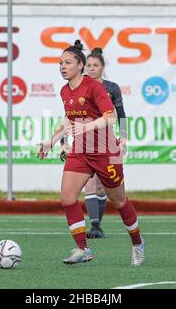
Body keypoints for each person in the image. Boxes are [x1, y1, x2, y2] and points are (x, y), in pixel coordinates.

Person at [37, 40, 145, 267]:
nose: (62, 67)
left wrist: (86, 127)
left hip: (107, 151)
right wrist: (52, 141)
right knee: (67, 198)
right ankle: (82, 248)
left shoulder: (95, 87)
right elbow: (68, 119)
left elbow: (112, 117)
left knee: (119, 200)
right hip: (81, 151)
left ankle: (137, 242)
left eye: (67, 63)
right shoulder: (65, 91)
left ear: (80, 65)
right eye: (60, 63)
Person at [60, 47, 128, 239]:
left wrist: (123, 136)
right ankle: (95, 225)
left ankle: (131, 236)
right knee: (89, 186)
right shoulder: (71, 89)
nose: (91, 68)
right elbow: (69, 117)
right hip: (83, 146)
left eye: (95, 65)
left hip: (107, 144)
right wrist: (62, 141)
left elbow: (119, 114)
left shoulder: (110, 88)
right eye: (89, 65)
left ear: (102, 67)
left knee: (110, 192)